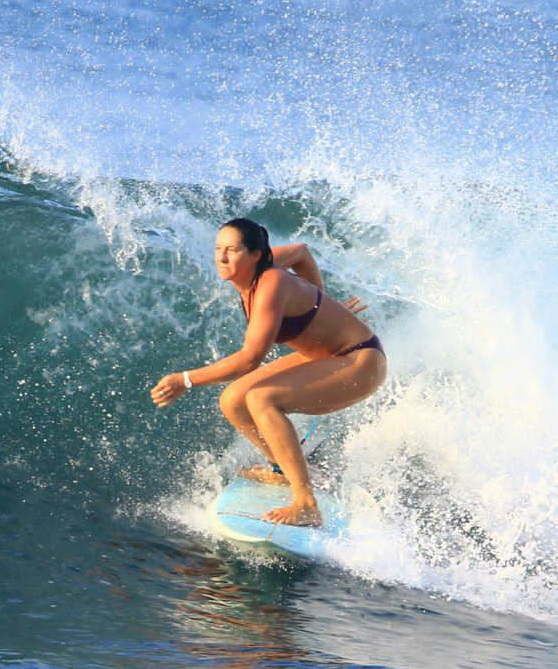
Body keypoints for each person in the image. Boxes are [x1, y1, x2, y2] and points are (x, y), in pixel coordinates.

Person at [150, 219, 386, 527]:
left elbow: (250, 359)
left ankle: (306, 504)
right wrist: (323, 305)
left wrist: (185, 379)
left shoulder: (270, 283)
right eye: (218, 249)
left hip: (361, 361)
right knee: (233, 400)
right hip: (326, 356)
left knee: (262, 399)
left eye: (232, 251)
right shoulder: (259, 271)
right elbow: (301, 252)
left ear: (255, 255)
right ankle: (281, 471)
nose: (221, 258)